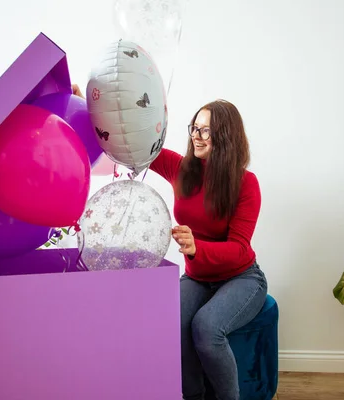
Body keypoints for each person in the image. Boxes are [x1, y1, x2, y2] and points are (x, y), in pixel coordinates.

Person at [72, 85, 267, 400]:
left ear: (227, 136)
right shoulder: (181, 169)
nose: (197, 135)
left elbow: (240, 248)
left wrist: (197, 247)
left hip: (242, 278)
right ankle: (193, 395)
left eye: (207, 130)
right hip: (198, 277)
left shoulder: (246, 184)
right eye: (195, 127)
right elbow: (136, 142)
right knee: (172, 324)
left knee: (206, 328)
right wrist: (88, 107)